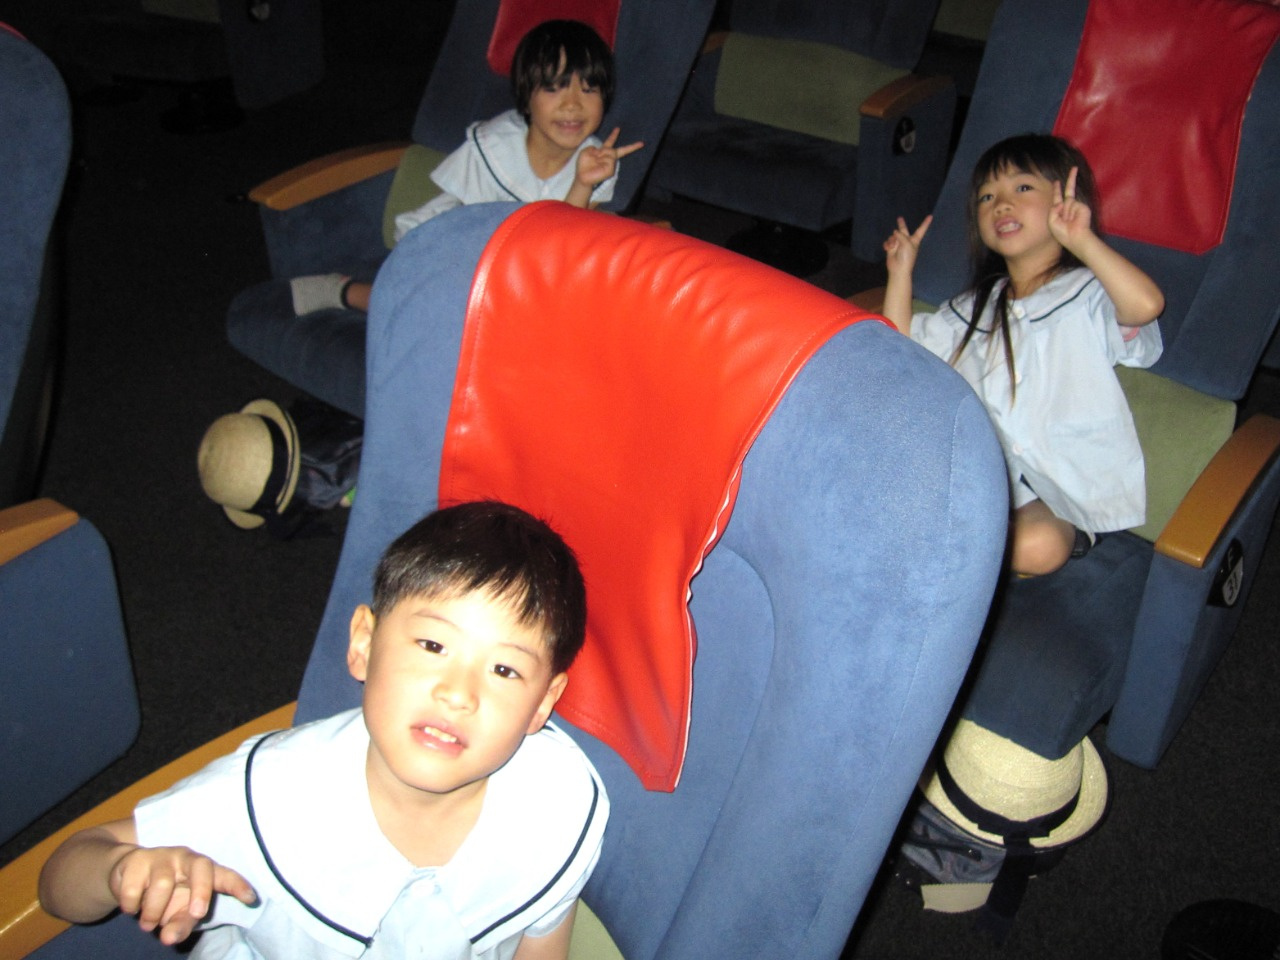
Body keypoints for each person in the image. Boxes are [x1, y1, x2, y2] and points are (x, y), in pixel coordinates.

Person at [39, 501, 608, 960]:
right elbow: (59, 882)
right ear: (364, 643)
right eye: (433, 645)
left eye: (504, 671)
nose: (459, 693)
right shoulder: (269, 795)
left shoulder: (557, 803)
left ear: (543, 702)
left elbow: (541, 942)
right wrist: (119, 871)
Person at [882, 134, 1165, 576]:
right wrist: (900, 274)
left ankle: (925, 548)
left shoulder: (1088, 291)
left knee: (1040, 545)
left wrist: (1081, 239)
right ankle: (946, 548)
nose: (1001, 204)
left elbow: (1145, 306)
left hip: (1058, 490)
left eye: (1023, 187)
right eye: (987, 197)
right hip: (976, 476)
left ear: (1064, 199)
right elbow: (899, 354)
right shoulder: (974, 305)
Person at [290, 19, 642, 316]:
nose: (572, 105)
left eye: (588, 89)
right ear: (526, 97)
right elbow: (464, 230)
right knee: (432, 307)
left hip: (523, 265)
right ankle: (346, 291)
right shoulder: (495, 146)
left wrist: (582, 184)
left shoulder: (598, 161)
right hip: (455, 241)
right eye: (554, 88)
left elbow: (561, 241)